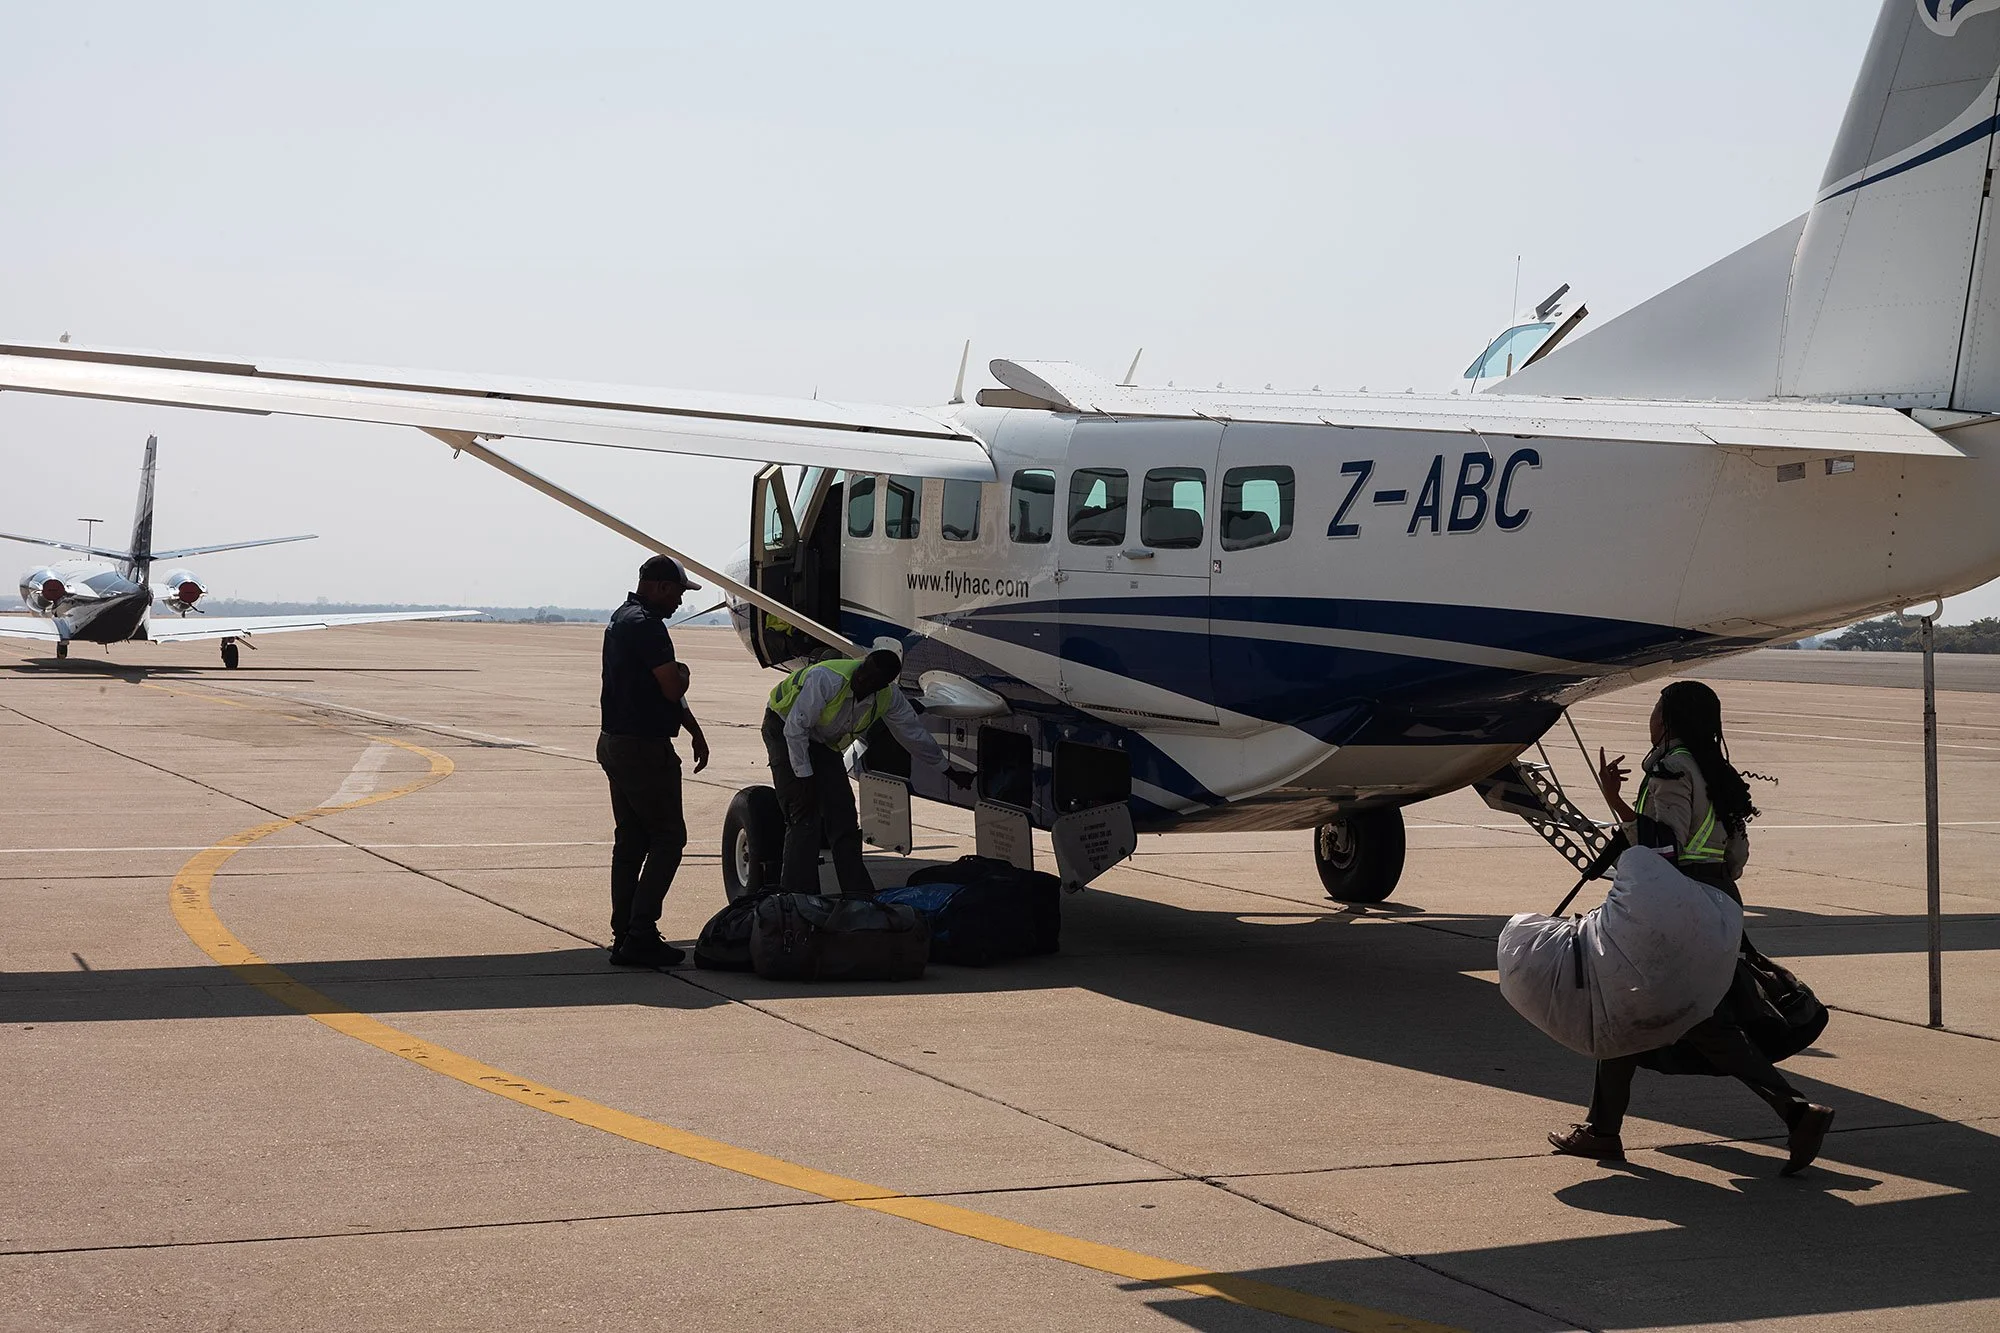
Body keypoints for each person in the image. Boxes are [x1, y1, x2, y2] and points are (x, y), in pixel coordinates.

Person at [1550, 680, 1835, 1175]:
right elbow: (1736, 855)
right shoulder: (1717, 770)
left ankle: (1795, 1110)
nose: (1652, 717)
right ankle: (1604, 1129)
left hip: (1679, 904)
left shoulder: (1669, 770)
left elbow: (1664, 847)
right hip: (1720, 898)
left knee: (1635, 1007)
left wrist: (1616, 802)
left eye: (1657, 708)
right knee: (1667, 1012)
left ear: (1669, 719)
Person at [762, 638, 971, 896]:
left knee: (844, 817)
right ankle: (798, 897)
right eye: (862, 672)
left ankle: (858, 894)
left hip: (823, 741)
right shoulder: (827, 679)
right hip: (783, 727)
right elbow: (795, 729)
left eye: (869, 680)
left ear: (882, 684)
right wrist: (803, 778)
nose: (860, 680)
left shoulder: (888, 697)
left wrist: (947, 770)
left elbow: (913, 735)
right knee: (803, 814)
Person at [597, 553, 710, 967]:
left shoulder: (622, 618)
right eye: (678, 593)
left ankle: (625, 932)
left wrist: (693, 727)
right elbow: (670, 685)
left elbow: (661, 690)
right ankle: (641, 932)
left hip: (615, 742)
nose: (680, 602)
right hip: (643, 749)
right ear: (661, 587)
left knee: (630, 840)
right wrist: (684, 672)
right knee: (668, 838)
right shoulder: (648, 626)